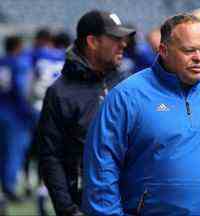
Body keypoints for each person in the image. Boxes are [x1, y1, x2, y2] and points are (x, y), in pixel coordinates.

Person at [82, 12, 200, 215]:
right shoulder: (126, 97)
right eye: (189, 50)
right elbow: (102, 167)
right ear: (163, 50)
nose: (199, 58)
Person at [36, 9, 135, 216]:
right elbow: (50, 157)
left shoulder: (127, 84)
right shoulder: (60, 93)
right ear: (92, 41)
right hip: (85, 205)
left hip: (130, 202)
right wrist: (67, 210)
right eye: (115, 38)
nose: (123, 44)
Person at [0, 35, 35, 201]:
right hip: (15, 115)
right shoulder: (19, 63)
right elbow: (21, 90)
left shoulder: (2, 61)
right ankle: (9, 189)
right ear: (17, 47)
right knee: (14, 151)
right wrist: (27, 112)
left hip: (2, 110)